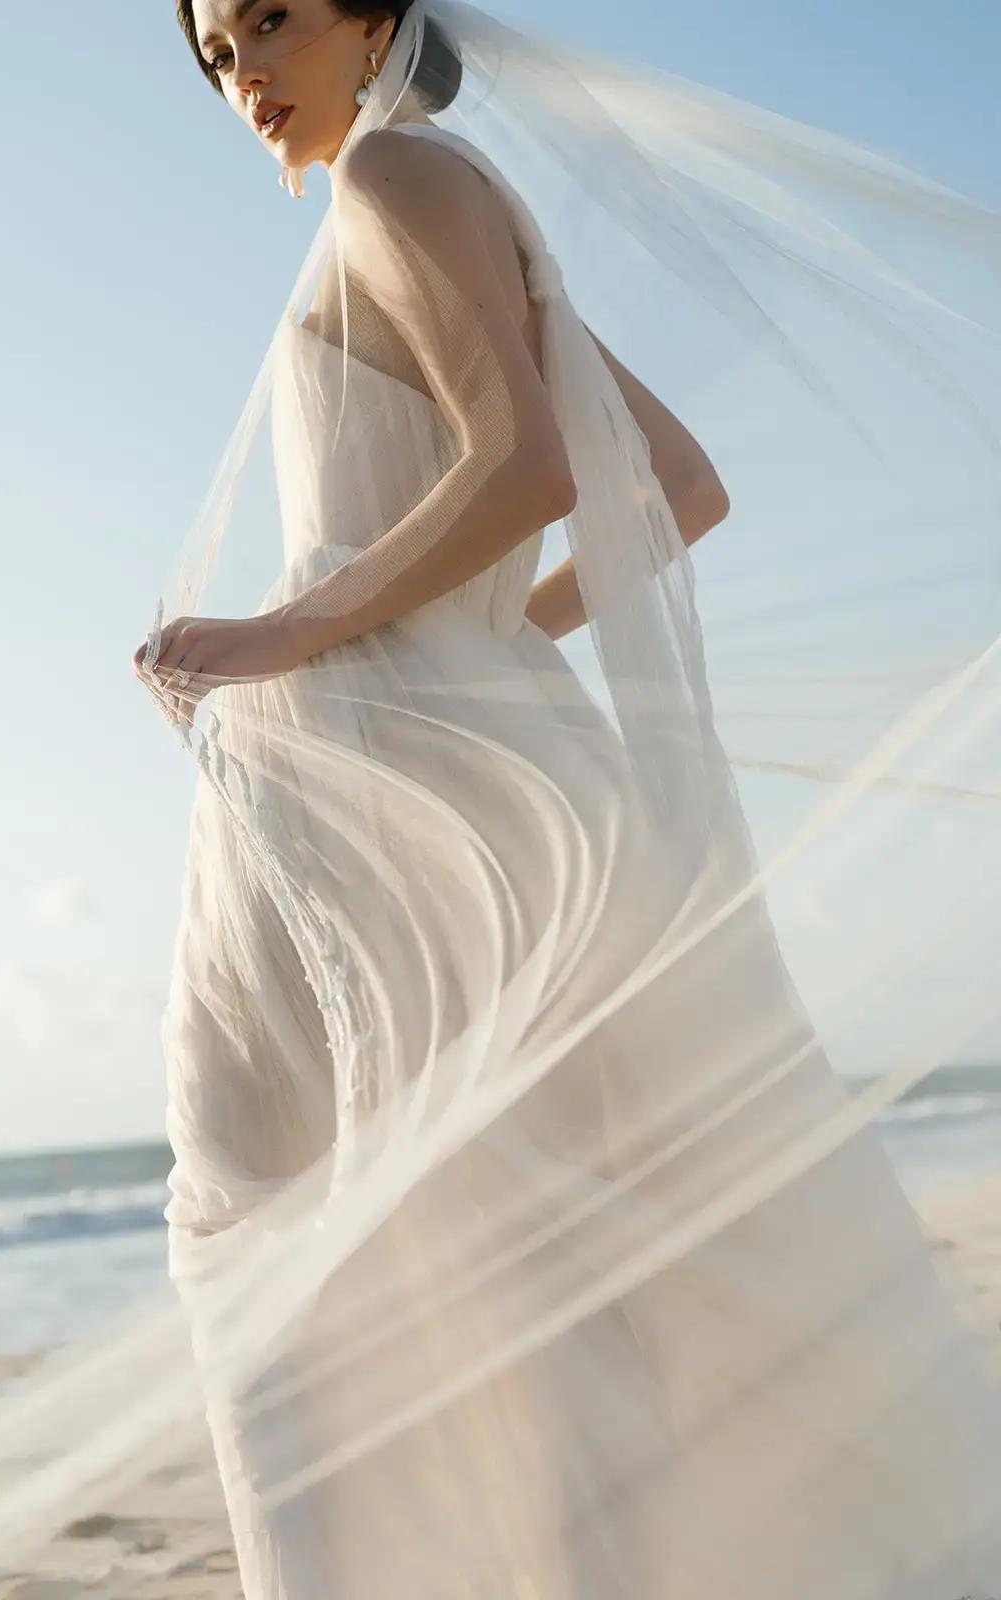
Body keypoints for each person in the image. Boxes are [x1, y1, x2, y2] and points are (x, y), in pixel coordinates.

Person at [134, 2, 1001, 1596]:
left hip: (383, 805)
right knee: (504, 1261)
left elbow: (533, 475)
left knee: (283, 1251)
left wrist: (290, 638)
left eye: (269, 17)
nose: (243, 72)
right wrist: (455, 651)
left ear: (377, 14)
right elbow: (674, 484)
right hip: (460, 776)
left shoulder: (398, 180)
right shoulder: (430, 198)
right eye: (211, 52)